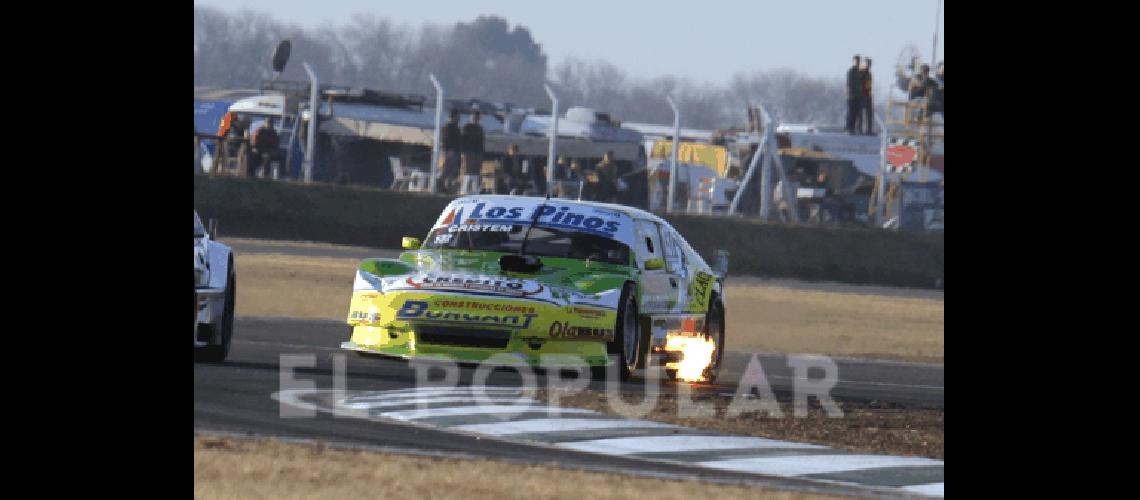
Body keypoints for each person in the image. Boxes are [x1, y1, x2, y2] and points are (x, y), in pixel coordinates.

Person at [440, 109, 462, 192]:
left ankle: (448, 187)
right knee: (447, 169)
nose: (459, 118)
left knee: (453, 171)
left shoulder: (456, 127)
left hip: (455, 151)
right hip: (450, 151)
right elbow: (445, 139)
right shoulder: (447, 127)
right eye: (457, 116)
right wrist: (448, 149)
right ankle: (441, 185)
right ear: (454, 116)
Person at [460, 110, 485, 182]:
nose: (476, 118)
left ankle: (474, 188)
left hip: (478, 153)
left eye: (477, 117)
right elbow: (463, 140)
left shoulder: (480, 128)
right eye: (474, 116)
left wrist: (481, 152)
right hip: (469, 152)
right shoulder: (466, 127)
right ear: (471, 117)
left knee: (476, 171)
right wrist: (463, 152)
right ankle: (465, 185)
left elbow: (481, 141)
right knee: (467, 170)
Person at [846, 55, 863, 135]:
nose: (858, 63)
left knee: (857, 114)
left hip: (858, 96)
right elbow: (849, 83)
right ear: (853, 61)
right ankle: (849, 128)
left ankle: (854, 129)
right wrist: (851, 93)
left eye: (859, 61)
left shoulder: (860, 72)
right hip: (852, 96)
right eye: (856, 61)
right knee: (851, 113)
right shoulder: (851, 71)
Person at [859, 58, 875, 135]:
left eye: (870, 64)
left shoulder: (869, 73)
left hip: (868, 95)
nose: (869, 65)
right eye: (867, 64)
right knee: (860, 114)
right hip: (861, 96)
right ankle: (859, 130)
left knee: (869, 114)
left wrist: (870, 94)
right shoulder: (860, 72)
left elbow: (869, 85)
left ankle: (869, 130)